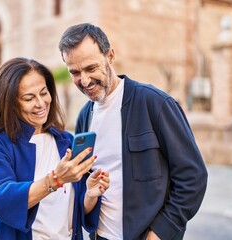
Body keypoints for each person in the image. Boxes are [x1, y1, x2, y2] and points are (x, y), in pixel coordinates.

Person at [58, 23, 208, 240]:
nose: (85, 80)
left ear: (110, 56)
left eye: (91, 68)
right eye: (75, 72)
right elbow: (83, 186)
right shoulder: (84, 116)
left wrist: (160, 232)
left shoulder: (155, 103)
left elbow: (193, 176)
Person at [0, 57, 110, 240]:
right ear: (10, 103)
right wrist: (56, 179)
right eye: (29, 98)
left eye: (43, 92)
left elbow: (75, 211)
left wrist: (90, 195)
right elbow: (0, 200)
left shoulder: (65, 141)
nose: (40, 103)